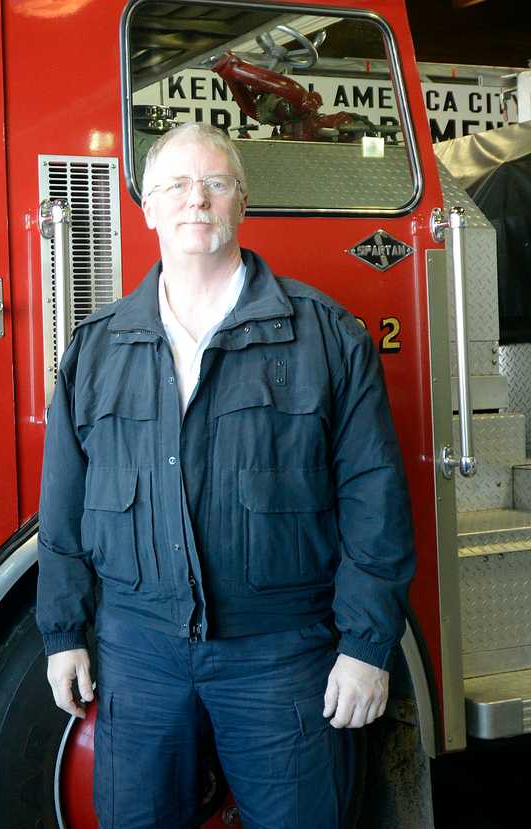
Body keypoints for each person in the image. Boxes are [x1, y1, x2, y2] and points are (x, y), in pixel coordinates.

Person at [36, 123, 415, 829]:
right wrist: (62, 632)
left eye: (214, 184)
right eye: (176, 185)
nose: (196, 200)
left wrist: (367, 646)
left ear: (242, 202)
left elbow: (375, 498)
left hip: (280, 653)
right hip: (138, 654)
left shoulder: (328, 337)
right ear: (146, 207)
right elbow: (61, 510)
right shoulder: (94, 351)